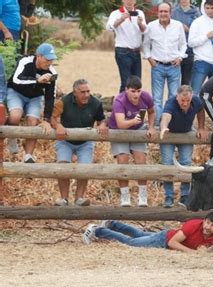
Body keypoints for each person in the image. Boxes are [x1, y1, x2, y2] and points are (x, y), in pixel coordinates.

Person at [51, 79, 108, 207]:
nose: (86, 95)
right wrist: (58, 126)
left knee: (84, 168)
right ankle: (64, 199)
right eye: (82, 92)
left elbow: (101, 120)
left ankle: (79, 199)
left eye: (88, 91)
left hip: (85, 141)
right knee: (63, 167)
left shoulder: (96, 103)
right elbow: (52, 117)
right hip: (65, 141)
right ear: (75, 92)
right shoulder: (64, 101)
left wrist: (103, 125)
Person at [108, 76, 157, 207]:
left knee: (141, 161)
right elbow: (121, 123)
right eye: (133, 91)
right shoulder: (119, 100)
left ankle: (143, 196)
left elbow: (152, 112)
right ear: (126, 90)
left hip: (138, 129)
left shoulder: (146, 97)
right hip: (119, 131)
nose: (136, 94)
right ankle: (125, 197)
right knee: (123, 161)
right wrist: (133, 121)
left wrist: (151, 127)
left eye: (138, 91)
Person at [5, 43, 57, 162]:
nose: (50, 62)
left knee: (33, 122)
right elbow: (17, 79)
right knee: (15, 116)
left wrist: (47, 120)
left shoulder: (52, 72)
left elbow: (50, 97)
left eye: (52, 59)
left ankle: (28, 156)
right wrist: (37, 80)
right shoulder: (25, 61)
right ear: (39, 56)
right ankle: (11, 136)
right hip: (16, 91)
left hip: (35, 97)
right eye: (47, 59)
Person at [83, 211, 213, 252]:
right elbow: (173, 243)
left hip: (165, 235)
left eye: (212, 226)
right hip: (164, 240)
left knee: (139, 234)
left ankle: (112, 223)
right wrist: (192, 252)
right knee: (132, 242)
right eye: (207, 223)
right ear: (204, 221)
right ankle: (98, 230)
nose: (208, 227)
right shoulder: (193, 225)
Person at [159, 85, 207, 208]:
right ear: (177, 97)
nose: (185, 103)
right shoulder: (171, 103)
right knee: (167, 163)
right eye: (182, 101)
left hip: (186, 133)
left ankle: (185, 196)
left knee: (186, 163)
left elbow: (201, 110)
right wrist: (164, 127)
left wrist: (201, 127)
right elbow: (166, 116)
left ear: (191, 97)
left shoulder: (196, 101)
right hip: (169, 134)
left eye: (187, 101)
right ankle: (168, 196)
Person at [143, 1, 187, 124]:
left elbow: (183, 45)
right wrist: (149, 59)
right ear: (157, 13)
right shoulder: (151, 26)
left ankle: (170, 123)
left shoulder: (178, 26)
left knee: (173, 96)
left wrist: (180, 57)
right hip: (157, 66)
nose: (163, 13)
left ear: (170, 13)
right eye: (161, 11)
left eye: (166, 11)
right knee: (157, 99)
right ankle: (157, 123)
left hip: (174, 66)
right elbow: (146, 45)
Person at [106, 0, 146, 93]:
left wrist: (140, 23)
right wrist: (121, 19)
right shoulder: (116, 13)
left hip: (136, 51)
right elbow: (109, 27)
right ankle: (120, 105)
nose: (129, 2)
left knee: (137, 83)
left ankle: (133, 106)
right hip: (123, 51)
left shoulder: (140, 13)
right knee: (126, 82)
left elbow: (144, 30)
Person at [188, 0, 213, 97]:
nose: (209, 10)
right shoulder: (197, 22)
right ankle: (193, 112)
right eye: (207, 8)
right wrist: (206, 37)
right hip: (201, 61)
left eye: (212, 8)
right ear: (203, 8)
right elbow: (191, 42)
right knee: (195, 93)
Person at [171, 0, 201, 86]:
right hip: (175, 51)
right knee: (174, 82)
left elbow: (199, 32)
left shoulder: (197, 13)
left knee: (186, 81)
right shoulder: (173, 12)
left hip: (190, 51)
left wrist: (188, 30)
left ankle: (186, 99)